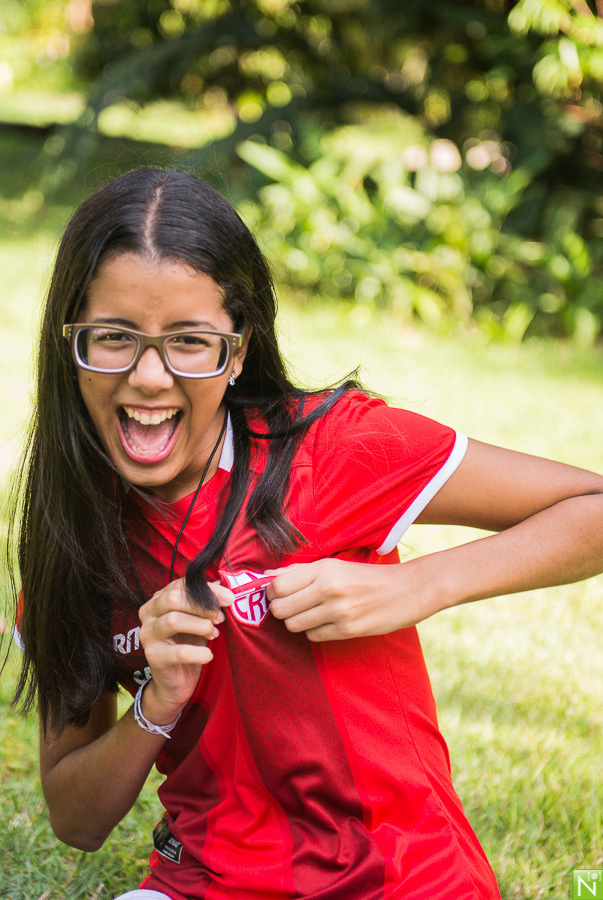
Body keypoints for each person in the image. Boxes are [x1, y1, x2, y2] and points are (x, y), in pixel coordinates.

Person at [8, 168, 602, 900]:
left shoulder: (332, 449)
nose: (150, 377)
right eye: (114, 337)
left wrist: (415, 585)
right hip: (209, 882)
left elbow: (590, 508)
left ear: (238, 347)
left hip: (405, 878)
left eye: (191, 341)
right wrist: (155, 701)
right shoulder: (74, 539)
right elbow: (74, 816)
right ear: (70, 342)